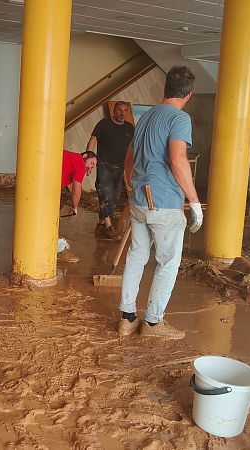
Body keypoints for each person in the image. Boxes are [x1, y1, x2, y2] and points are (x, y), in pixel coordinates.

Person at [118, 66, 204, 339]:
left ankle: (127, 319)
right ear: (188, 95)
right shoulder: (179, 118)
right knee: (167, 263)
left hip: (140, 201)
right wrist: (195, 201)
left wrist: (131, 183)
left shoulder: (145, 117)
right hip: (164, 203)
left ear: (164, 89)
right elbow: (178, 160)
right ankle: (153, 324)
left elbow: (129, 158)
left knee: (136, 258)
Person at [88, 101, 134, 240]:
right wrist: (89, 157)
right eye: (119, 110)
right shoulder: (104, 124)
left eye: (125, 110)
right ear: (114, 110)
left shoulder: (129, 127)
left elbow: (134, 147)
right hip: (104, 165)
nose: (122, 113)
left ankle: (101, 223)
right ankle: (108, 226)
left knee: (114, 197)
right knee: (105, 193)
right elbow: (93, 140)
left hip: (120, 167)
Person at [57, 150, 98, 263]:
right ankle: (60, 249)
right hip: (44, 186)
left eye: (93, 166)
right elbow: (76, 190)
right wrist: (75, 207)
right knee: (50, 221)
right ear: (84, 156)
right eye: (91, 163)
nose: (90, 167)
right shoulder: (80, 162)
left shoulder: (71, 156)